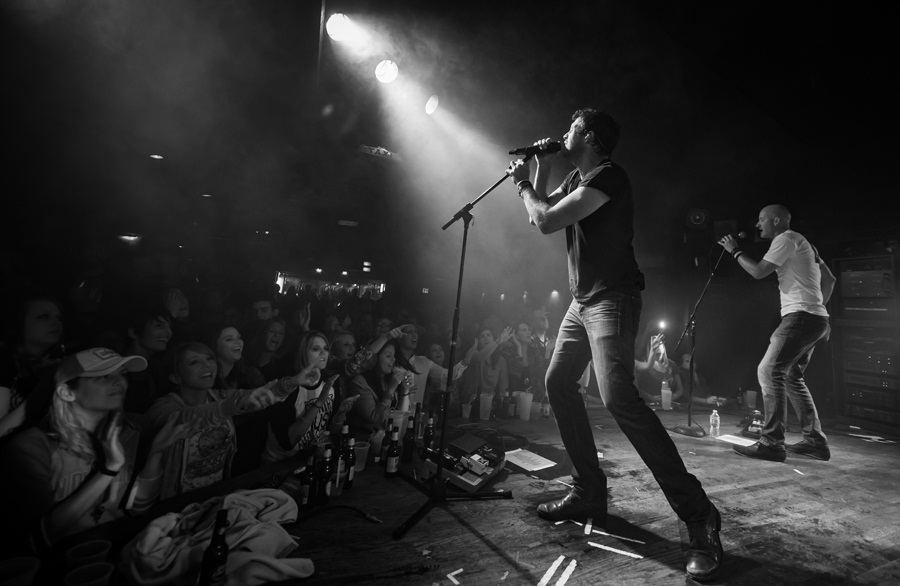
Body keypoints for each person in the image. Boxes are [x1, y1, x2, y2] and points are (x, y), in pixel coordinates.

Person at [507, 108, 721, 581]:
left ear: (589, 136)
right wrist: (538, 169)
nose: (563, 131)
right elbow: (540, 214)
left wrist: (522, 183)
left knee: (618, 397)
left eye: (571, 127)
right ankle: (588, 490)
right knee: (558, 382)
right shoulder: (576, 177)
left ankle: (699, 514)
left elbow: (545, 219)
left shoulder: (608, 177)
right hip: (583, 301)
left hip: (612, 298)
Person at [0, 348, 189, 553]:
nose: (119, 382)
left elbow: (135, 510)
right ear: (67, 392)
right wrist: (109, 469)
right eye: (103, 376)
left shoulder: (126, 434)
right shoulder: (30, 448)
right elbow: (37, 540)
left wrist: (156, 453)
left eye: (122, 374)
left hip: (110, 550)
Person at [718, 204, 835, 462]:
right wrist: (818, 309)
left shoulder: (785, 238)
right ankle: (815, 442)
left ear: (777, 220)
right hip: (815, 318)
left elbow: (759, 271)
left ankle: (772, 443)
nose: (758, 224)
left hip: (801, 317)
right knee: (792, 376)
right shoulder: (806, 244)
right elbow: (830, 279)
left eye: (762, 219)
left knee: (769, 371)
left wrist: (734, 251)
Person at [147, 342, 284, 499]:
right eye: (194, 362)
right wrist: (229, 407)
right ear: (175, 377)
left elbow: (252, 396)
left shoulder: (217, 396)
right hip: (173, 503)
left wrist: (292, 383)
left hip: (214, 496)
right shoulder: (163, 407)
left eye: (209, 359)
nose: (207, 365)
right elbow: (186, 417)